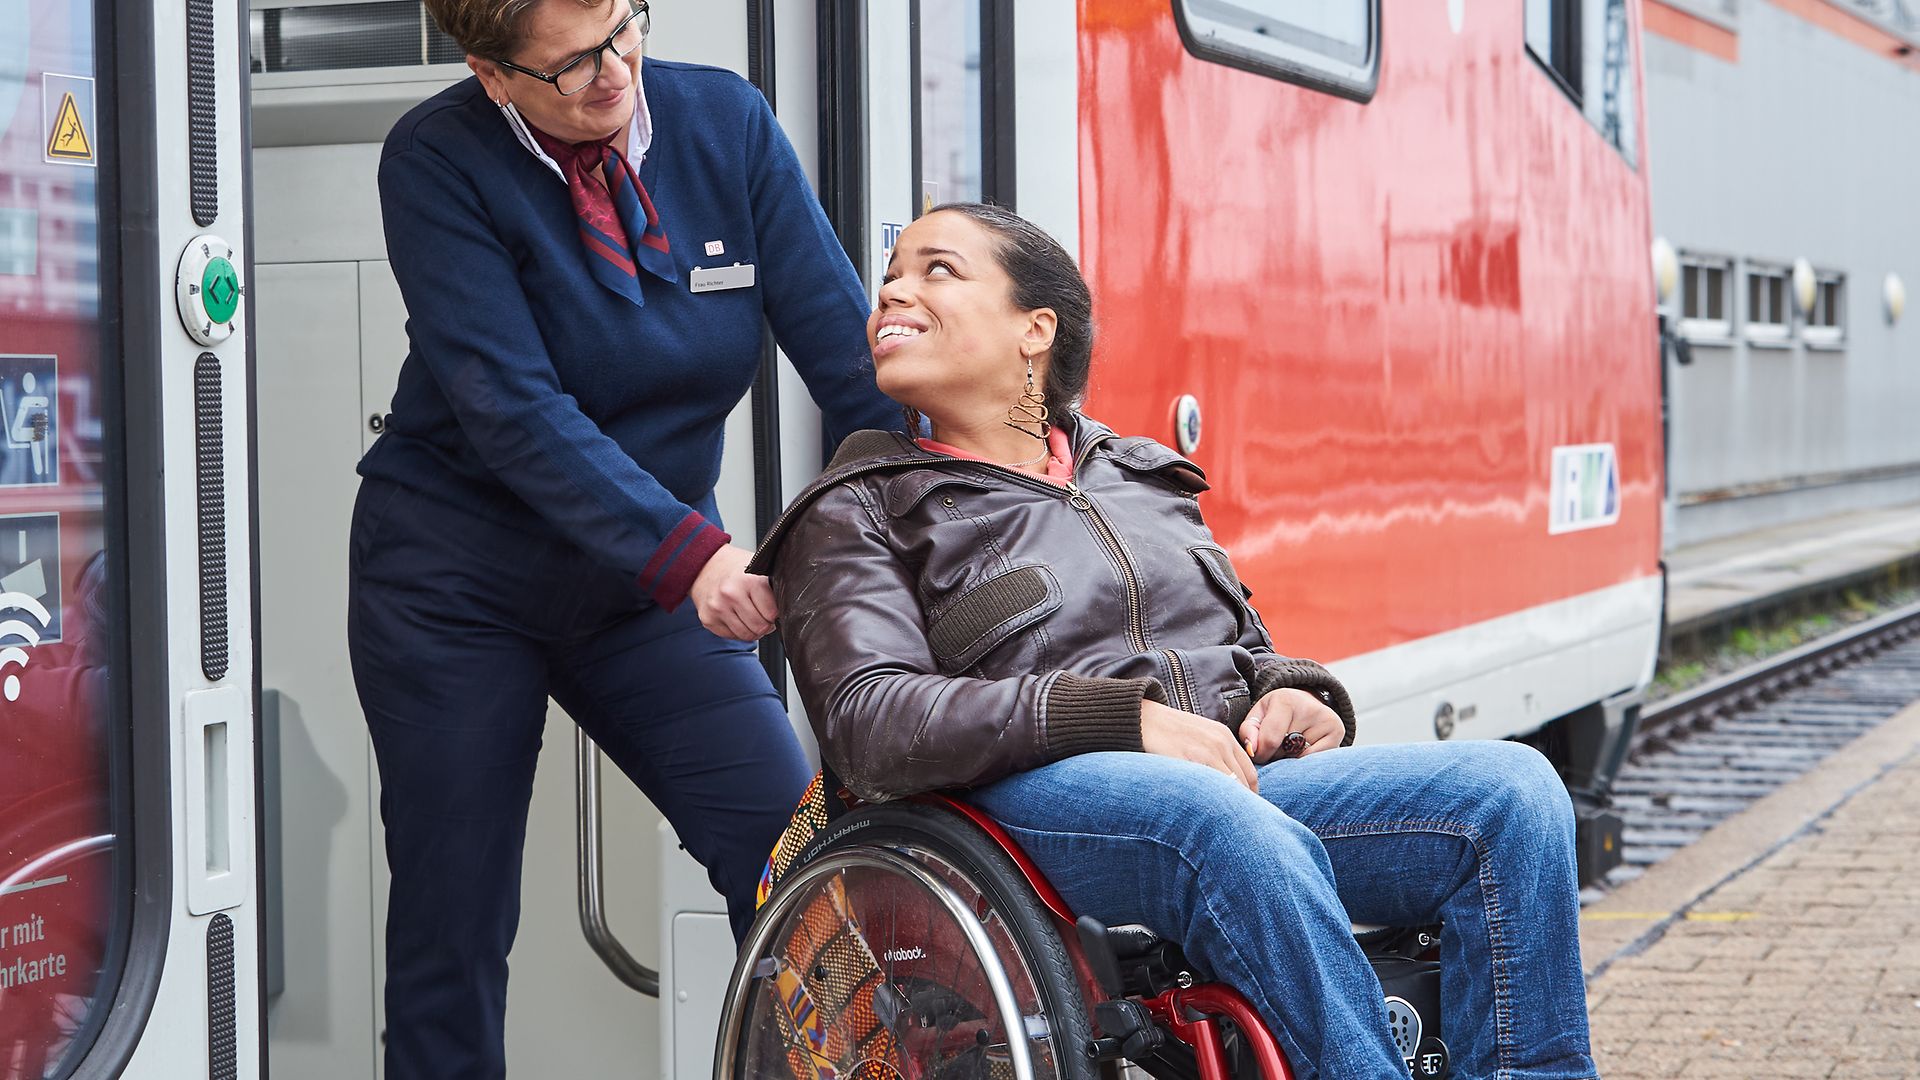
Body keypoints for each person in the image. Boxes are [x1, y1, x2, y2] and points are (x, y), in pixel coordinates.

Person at [754, 204, 1601, 1080]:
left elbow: (1237, 638)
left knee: (1511, 794)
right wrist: (1122, 720)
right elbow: (871, 720)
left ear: (1033, 331)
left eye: (938, 269)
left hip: (1222, 788)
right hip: (1021, 804)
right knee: (1219, 825)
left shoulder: (1136, 474)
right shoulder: (861, 504)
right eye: (892, 270)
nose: (895, 285)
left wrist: (1292, 691)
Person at [346, 1, 896, 1075]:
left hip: (638, 595)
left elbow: (850, 360)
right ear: (493, 75)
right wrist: (694, 556)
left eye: (622, 28)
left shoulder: (724, 123)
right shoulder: (435, 158)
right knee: (451, 930)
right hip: (458, 585)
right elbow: (511, 408)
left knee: (798, 868)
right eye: (571, 65)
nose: (613, 73)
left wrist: (942, 499)